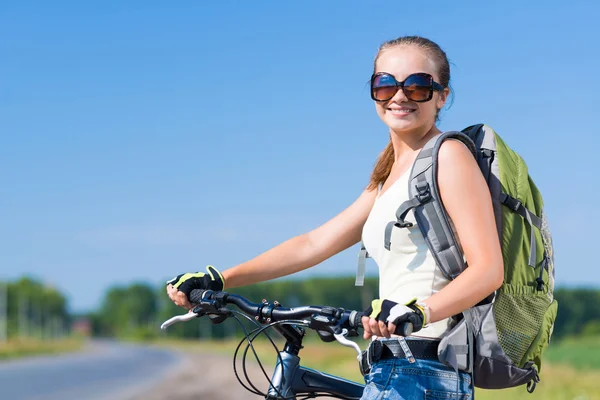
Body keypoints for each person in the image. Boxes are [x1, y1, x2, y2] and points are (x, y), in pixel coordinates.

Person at [166, 35, 503, 399]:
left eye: (418, 86)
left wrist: (419, 312)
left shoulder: (450, 155)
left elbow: (487, 270)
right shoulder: (389, 173)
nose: (400, 96)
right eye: (386, 84)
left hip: (424, 371)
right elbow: (313, 244)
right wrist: (221, 278)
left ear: (442, 96)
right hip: (391, 367)